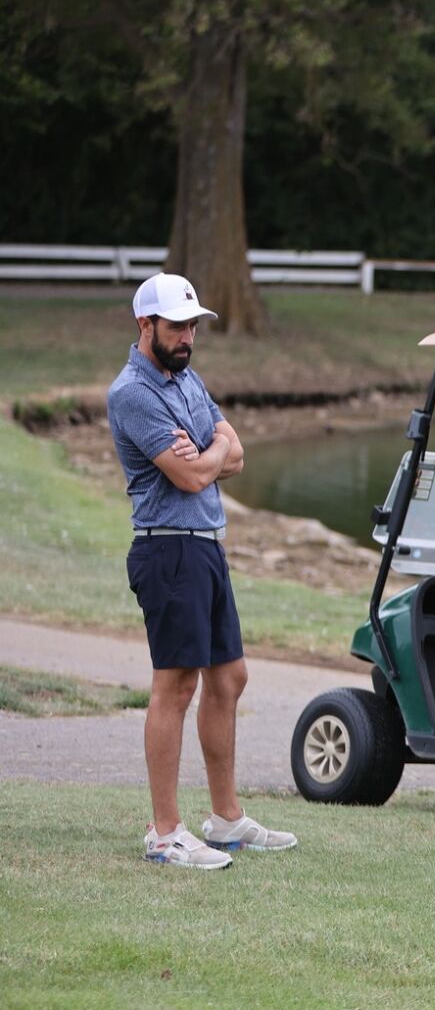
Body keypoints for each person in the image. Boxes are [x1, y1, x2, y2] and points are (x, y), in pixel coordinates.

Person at [107, 273, 297, 869]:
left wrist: (209, 450)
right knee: (176, 685)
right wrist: (213, 453)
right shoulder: (131, 392)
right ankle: (164, 833)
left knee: (229, 677)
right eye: (177, 326)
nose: (188, 336)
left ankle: (226, 819)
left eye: (193, 326)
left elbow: (234, 455)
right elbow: (191, 476)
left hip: (207, 547)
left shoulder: (188, 379)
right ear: (146, 326)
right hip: (168, 551)